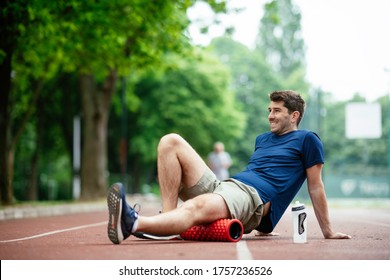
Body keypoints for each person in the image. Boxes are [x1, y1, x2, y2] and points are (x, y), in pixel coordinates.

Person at [107, 90, 351, 244]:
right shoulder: (262, 139)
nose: (270, 116)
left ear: (294, 116)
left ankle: (133, 223)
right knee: (170, 141)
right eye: (269, 110)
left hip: (251, 197)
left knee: (196, 207)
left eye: (277, 111)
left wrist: (327, 231)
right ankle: (169, 222)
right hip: (227, 186)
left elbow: (316, 186)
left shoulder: (308, 139)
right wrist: (265, 229)